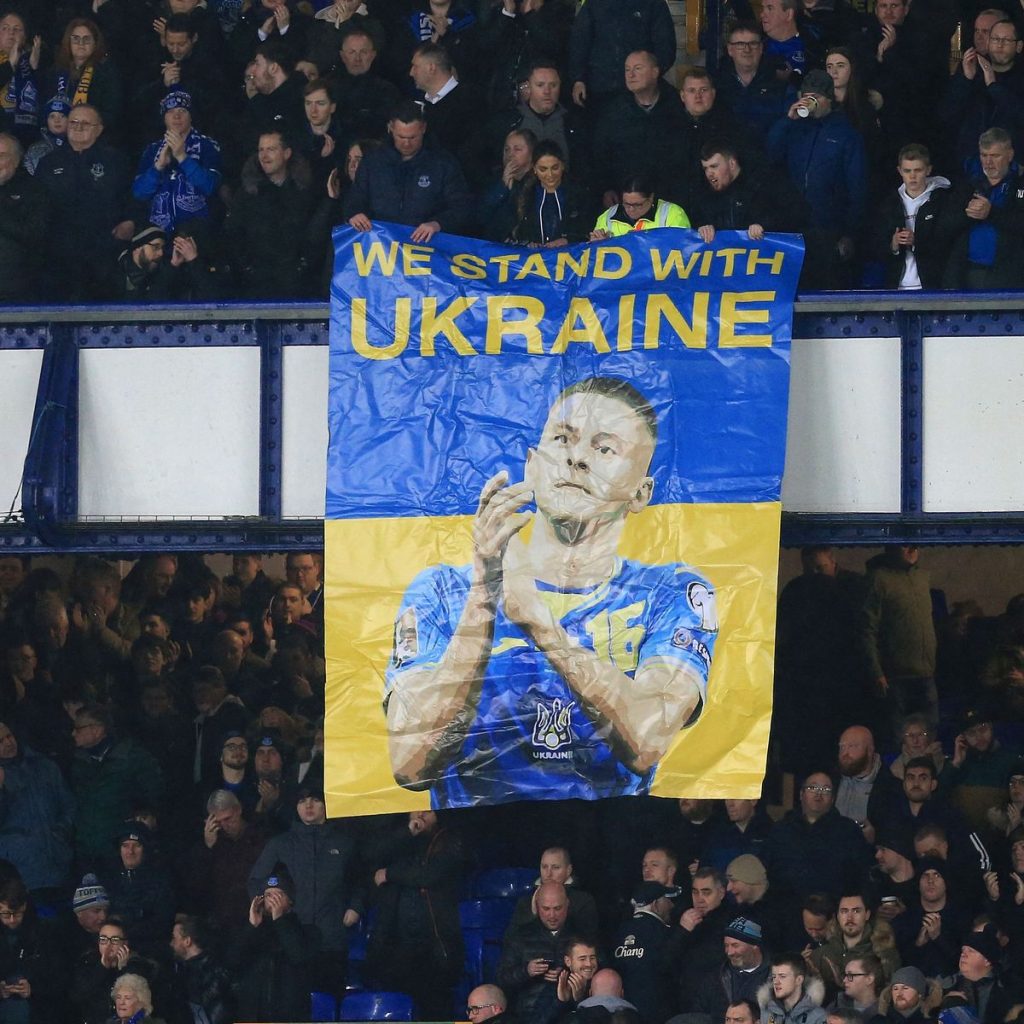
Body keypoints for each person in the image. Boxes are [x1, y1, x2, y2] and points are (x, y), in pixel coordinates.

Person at [384, 375, 719, 807]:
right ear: (532, 465)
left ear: (641, 492)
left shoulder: (670, 594)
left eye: (605, 449)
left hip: (608, 833)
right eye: (563, 439)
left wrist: (541, 624)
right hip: (476, 836)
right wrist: (483, 599)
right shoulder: (443, 590)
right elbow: (410, 765)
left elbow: (648, 739)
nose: (576, 458)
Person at [767, 68, 866, 289]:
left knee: (828, 288)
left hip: (829, 230)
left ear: (829, 99)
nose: (809, 101)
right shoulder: (793, 128)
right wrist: (787, 120)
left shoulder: (846, 133)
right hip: (794, 229)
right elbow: (771, 154)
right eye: (806, 96)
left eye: (816, 97)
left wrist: (850, 234)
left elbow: (858, 188)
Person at [35, 103, 134, 301]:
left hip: (104, 249)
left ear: (99, 129)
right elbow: (37, 202)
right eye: (73, 122)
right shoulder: (48, 162)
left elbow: (131, 196)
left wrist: (129, 221)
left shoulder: (116, 160)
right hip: (59, 252)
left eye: (86, 123)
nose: (78, 127)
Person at [345, 99, 471, 242]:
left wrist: (437, 224)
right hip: (380, 245)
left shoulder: (443, 163)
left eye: (413, 137)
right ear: (390, 128)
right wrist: (354, 214)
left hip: (425, 245)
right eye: (401, 137)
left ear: (423, 128)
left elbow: (461, 207)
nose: (406, 143)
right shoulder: (373, 161)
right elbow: (354, 199)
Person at [225, 128, 318, 299]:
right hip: (255, 286)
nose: (264, 155)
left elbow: (314, 234)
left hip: (298, 285)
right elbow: (233, 234)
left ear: (287, 153)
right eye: (261, 150)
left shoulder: (305, 191)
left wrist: (302, 266)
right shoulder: (246, 193)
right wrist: (248, 269)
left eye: (271, 149)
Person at [589, 49, 686, 204]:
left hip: (671, 197)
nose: (631, 75)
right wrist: (606, 188)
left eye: (638, 68)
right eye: (627, 69)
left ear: (655, 72)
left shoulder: (678, 105)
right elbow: (601, 154)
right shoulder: (614, 111)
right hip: (627, 199)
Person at [859, 546, 938, 734]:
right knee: (900, 735)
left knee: (930, 734)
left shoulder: (922, 577)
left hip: (926, 673)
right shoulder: (878, 579)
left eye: (915, 543)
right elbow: (867, 629)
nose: (912, 548)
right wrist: (876, 672)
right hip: (896, 677)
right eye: (905, 544)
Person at [939, 127, 1024, 290]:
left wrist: (991, 213)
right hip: (970, 273)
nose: (988, 162)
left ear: (1010, 155)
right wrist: (967, 214)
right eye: (984, 155)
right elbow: (944, 227)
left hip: (1012, 276)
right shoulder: (968, 186)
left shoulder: (1019, 183)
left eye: (995, 156)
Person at [132, 90, 221, 238]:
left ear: (191, 116)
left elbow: (210, 187)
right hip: (159, 236)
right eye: (170, 111)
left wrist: (183, 158)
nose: (176, 116)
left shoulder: (207, 145)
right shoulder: (152, 149)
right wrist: (158, 167)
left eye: (182, 111)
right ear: (164, 118)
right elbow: (139, 193)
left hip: (197, 233)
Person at [567, 0, 676, 113]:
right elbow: (579, 42)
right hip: (599, 89)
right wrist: (578, 79)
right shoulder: (594, 4)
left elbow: (665, 47)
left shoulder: (654, 4)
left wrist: (650, 76)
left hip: (640, 93)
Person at [870, 143, 953, 290]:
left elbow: (947, 243)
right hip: (897, 287)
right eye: (907, 171)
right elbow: (875, 246)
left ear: (928, 170)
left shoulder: (942, 201)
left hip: (932, 286)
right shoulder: (889, 205)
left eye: (918, 170)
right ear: (899, 171)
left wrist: (916, 241)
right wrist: (893, 244)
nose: (912, 176)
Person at [714, 22, 794, 145]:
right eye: (740, 44)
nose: (747, 49)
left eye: (753, 44)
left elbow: (787, 127)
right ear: (730, 50)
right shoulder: (717, 85)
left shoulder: (779, 85)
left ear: (761, 48)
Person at [612, 881, 679, 1024]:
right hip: (658, 1014)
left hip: (624, 1014)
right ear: (655, 904)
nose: (672, 905)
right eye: (668, 900)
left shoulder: (619, 932)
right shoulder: (665, 933)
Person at [0, 132, 50, 302]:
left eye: (1, 156)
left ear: (16, 160)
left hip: (16, 288)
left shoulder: (34, 190)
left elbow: (34, 234)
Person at [589, 174, 689, 239]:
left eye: (637, 205)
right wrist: (597, 245)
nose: (631, 209)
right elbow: (595, 259)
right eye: (626, 204)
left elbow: (682, 251)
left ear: (651, 198)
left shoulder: (673, 214)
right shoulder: (607, 217)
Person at [761, 953, 827, 1024]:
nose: (776, 982)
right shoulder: (767, 1011)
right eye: (774, 977)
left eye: (782, 976)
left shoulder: (818, 1017)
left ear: (799, 980)